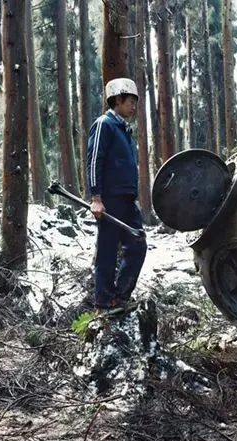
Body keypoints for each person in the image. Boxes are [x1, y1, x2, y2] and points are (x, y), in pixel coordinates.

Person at [86, 77, 147, 311]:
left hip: (127, 199)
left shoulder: (124, 128)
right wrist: (96, 198)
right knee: (108, 250)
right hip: (109, 199)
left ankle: (121, 295)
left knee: (138, 245)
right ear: (118, 100)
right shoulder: (104, 124)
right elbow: (94, 161)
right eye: (131, 101)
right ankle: (104, 300)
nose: (134, 106)